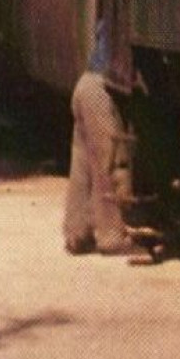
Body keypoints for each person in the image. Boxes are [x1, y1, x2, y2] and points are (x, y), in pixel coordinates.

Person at [63, 18, 131, 255]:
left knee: (81, 167)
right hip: (102, 91)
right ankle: (110, 236)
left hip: (86, 84)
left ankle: (76, 232)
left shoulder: (112, 15)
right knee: (108, 164)